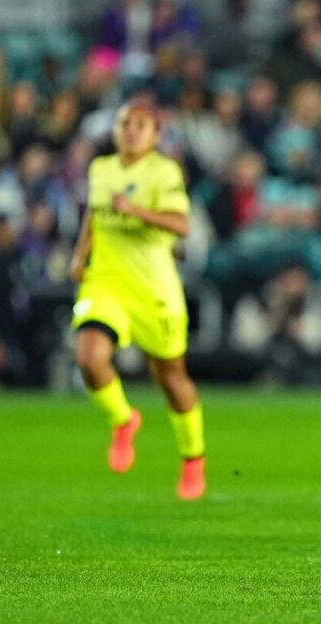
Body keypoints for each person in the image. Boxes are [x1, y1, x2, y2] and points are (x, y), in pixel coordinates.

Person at [69, 98, 206, 500]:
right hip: (105, 282)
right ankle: (123, 419)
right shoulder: (100, 168)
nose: (130, 130)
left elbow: (182, 224)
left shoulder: (164, 172)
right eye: (125, 123)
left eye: (141, 124)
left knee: (170, 377)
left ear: (156, 134)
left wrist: (136, 211)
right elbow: (94, 214)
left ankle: (192, 457)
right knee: (89, 358)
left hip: (153, 288)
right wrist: (80, 254)